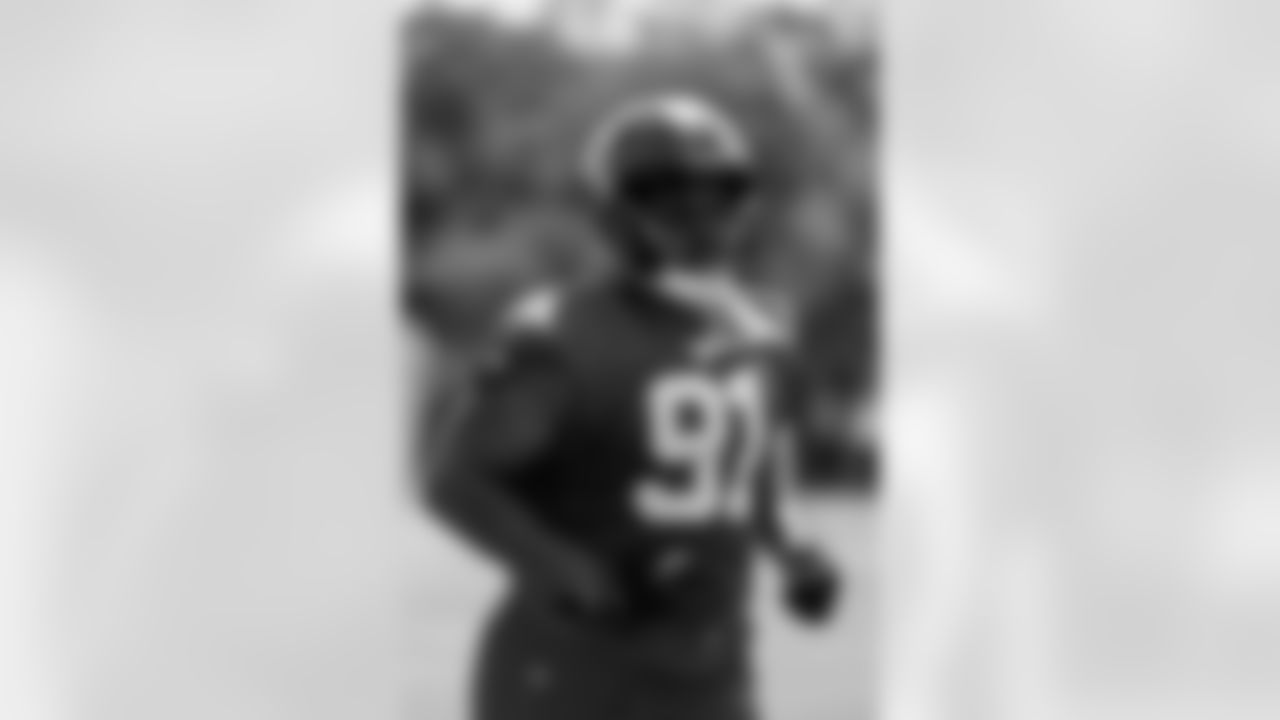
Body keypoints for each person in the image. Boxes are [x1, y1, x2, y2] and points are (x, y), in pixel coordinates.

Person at [423, 91, 843, 720]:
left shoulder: (763, 337)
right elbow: (457, 482)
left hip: (710, 671)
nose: (697, 214)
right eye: (666, 194)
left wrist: (795, 552)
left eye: (716, 192)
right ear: (614, 211)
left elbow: (753, 475)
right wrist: (574, 572)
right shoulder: (562, 333)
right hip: (572, 672)